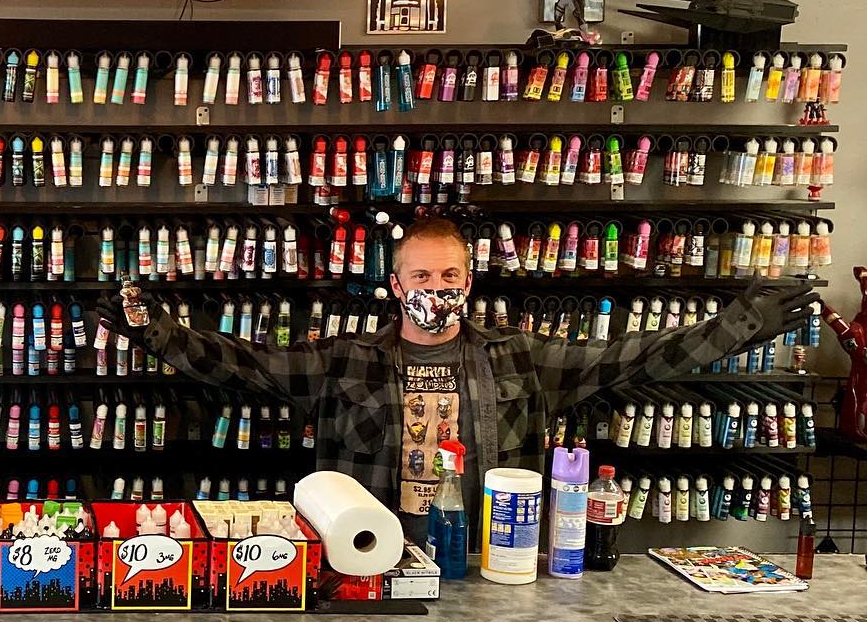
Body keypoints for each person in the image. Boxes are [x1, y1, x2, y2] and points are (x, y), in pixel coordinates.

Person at [100, 217, 815, 545]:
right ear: (395, 285)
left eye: (448, 275)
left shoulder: (520, 358)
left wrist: (738, 326)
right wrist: (153, 330)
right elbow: (241, 363)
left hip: (486, 559)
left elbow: (634, 355)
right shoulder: (346, 360)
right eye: (420, 275)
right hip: (369, 561)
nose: (435, 288)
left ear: (469, 282)